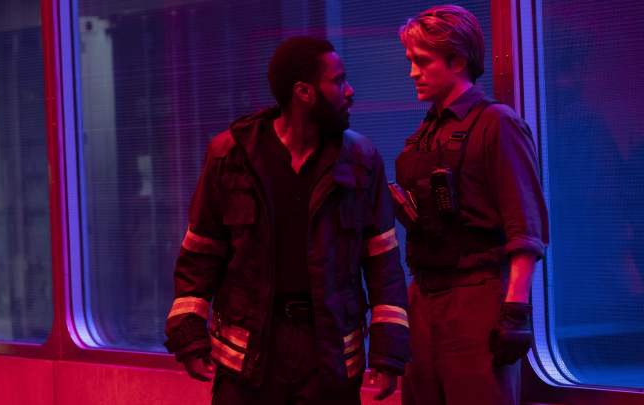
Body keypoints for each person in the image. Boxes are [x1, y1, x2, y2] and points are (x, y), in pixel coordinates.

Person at [164, 36, 410, 404]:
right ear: (304, 92)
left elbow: (382, 262)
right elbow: (201, 252)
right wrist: (189, 336)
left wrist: (388, 352)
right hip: (250, 358)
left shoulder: (360, 159)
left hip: (327, 355)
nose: (349, 91)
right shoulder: (231, 155)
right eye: (338, 81)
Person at [391, 5, 549, 405]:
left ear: (457, 60)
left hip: (476, 295)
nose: (412, 72)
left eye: (422, 61)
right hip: (424, 296)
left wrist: (515, 309)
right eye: (411, 61)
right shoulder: (424, 134)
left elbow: (525, 225)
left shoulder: (496, 123)